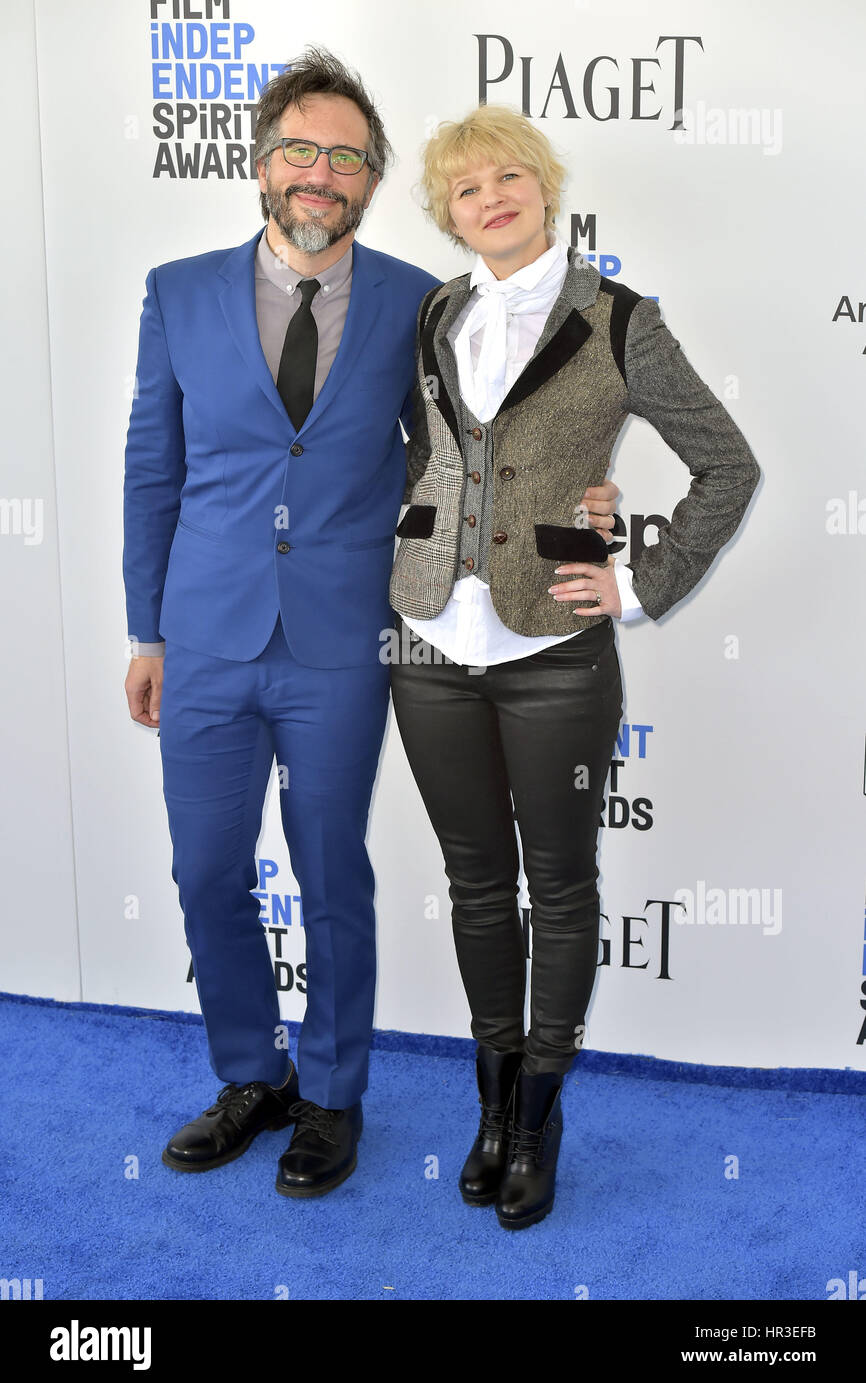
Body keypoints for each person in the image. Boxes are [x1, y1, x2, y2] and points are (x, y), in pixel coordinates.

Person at [122, 49, 622, 1199]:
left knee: (330, 870)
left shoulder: (417, 301)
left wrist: (579, 507)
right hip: (201, 634)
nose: (321, 171)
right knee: (205, 870)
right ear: (260, 162)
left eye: (347, 156)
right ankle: (251, 1075)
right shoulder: (177, 289)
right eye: (302, 147)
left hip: (348, 638)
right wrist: (145, 627)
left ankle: (333, 1096)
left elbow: (474, 449)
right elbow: (154, 465)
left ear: (369, 180)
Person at [388, 104, 760, 1230]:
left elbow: (725, 466)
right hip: (424, 641)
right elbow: (429, 454)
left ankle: (541, 1110)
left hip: (552, 646)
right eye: (465, 189)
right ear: (447, 215)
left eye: (508, 177)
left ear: (544, 187)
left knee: (557, 883)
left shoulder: (618, 319)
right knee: (470, 880)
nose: (489, 198)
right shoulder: (435, 314)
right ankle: (491, 1103)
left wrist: (639, 580)